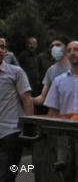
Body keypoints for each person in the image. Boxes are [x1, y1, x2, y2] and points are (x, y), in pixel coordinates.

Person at [0, 36, 33, 182]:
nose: (0, 50)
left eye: (2, 47)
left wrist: (28, 128)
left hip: (11, 132)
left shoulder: (15, 72)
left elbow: (27, 99)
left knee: (7, 175)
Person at [32, 39, 71, 107]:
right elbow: (43, 97)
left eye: (58, 45)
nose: (54, 48)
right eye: (52, 46)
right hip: (57, 113)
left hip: (77, 113)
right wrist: (26, 99)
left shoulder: (77, 65)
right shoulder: (51, 70)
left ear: (67, 47)